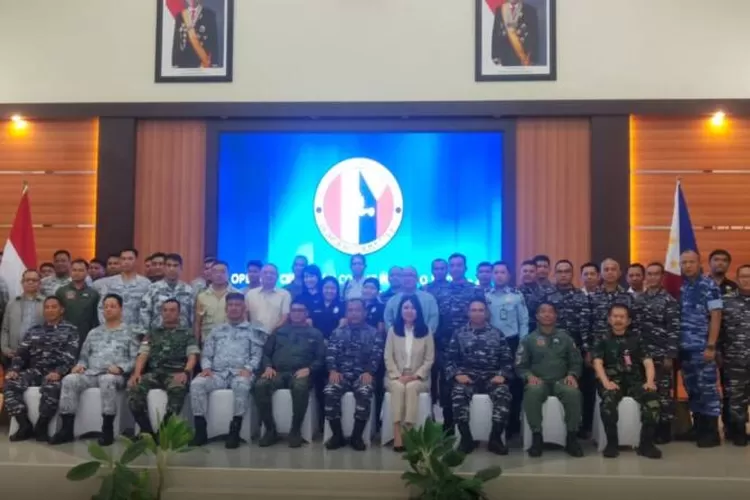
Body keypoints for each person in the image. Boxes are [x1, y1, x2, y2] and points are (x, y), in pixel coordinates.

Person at [51, 294, 140, 446]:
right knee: (69, 379)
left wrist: (120, 368)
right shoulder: (94, 332)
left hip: (114, 376)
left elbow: (135, 358)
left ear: (121, 309)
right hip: (91, 373)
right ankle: (66, 428)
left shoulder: (130, 332)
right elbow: (84, 357)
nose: (109, 309)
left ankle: (107, 429)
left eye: (113, 306)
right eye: (106, 306)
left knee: (107, 380)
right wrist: (80, 366)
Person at [190, 293, 266, 449]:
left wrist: (249, 369)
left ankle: (235, 430)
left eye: (237, 305)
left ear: (244, 308)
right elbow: (207, 353)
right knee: (197, 384)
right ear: (226, 309)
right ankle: (200, 430)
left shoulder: (254, 330)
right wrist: (206, 368)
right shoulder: (216, 330)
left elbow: (257, 355)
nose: (234, 308)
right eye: (231, 305)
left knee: (242, 385)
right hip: (217, 373)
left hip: (241, 372)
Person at [4, 296, 78, 442]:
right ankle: (24, 425)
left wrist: (59, 372)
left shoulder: (70, 330)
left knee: (52, 388)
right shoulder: (34, 330)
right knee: (10, 384)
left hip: (55, 371)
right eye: (47, 307)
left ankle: (41, 426)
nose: (50, 310)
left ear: (61, 310)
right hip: (35, 370)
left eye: (53, 307)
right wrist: (15, 369)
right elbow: (21, 354)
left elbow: (71, 355)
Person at [592, 304, 662, 459]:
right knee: (608, 400)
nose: (618, 320)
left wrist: (649, 381)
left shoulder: (637, 339)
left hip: (634, 382)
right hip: (612, 382)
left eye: (622, 317)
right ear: (609, 319)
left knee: (653, 400)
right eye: (615, 316)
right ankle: (611, 443)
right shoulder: (602, 338)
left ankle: (646, 444)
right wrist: (605, 382)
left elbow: (648, 362)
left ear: (628, 320)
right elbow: (597, 363)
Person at [255, 299, 325, 448]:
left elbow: (321, 358)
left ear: (306, 313)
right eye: (294, 310)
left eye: (300, 311)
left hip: (301, 372)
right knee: (261, 385)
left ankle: (295, 430)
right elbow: (266, 353)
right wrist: (267, 366)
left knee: (300, 387)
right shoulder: (279, 332)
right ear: (290, 313)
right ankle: (270, 430)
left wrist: (310, 369)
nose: (297, 313)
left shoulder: (315, 333)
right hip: (278, 372)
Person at [446, 298, 513, 455]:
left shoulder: (497, 333)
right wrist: (457, 375)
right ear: (468, 313)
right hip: (467, 378)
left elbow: (508, 360)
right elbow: (450, 360)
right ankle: (466, 438)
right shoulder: (459, 333)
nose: (477, 313)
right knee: (457, 393)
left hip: (492, 377)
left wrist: (503, 375)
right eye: (473, 310)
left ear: (487, 313)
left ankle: (495, 438)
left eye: (481, 310)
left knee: (503, 393)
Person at [516, 302, 583, 458]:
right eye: (543, 312)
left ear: (556, 315)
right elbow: (520, 366)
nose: (547, 314)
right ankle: (537, 437)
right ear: (537, 316)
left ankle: (572, 437)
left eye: (550, 312)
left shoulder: (565, 338)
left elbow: (576, 361)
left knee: (573, 393)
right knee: (532, 392)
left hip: (561, 381)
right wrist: (529, 376)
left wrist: (572, 374)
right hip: (538, 381)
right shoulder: (528, 340)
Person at [127, 299, 199, 438]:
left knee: (177, 390)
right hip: (154, 373)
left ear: (179, 313)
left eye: (172, 310)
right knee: (133, 388)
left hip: (176, 373)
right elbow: (143, 354)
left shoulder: (187, 333)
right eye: (165, 310)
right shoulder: (153, 333)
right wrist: (137, 373)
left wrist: (186, 372)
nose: (168, 313)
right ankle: (146, 431)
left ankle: (163, 433)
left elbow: (192, 356)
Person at [431, 254, 482, 434]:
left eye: (459, 265)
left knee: (467, 382)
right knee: (446, 383)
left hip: (469, 345)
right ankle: (448, 425)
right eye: (452, 265)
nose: (455, 268)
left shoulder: (474, 290)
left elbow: (481, 316)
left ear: (465, 268)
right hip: (444, 345)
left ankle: (469, 427)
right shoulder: (439, 291)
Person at [324, 299, 384, 451]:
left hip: (362, 375)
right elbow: (331, 354)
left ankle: (357, 436)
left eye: (357, 310)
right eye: (350, 310)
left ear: (364, 312)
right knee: (330, 391)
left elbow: (376, 356)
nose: (354, 313)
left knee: (365, 391)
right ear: (346, 313)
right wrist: (333, 370)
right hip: (341, 375)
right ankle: (337, 436)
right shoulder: (338, 332)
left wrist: (369, 372)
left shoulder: (374, 333)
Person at [542, 260, 593, 437]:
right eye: (560, 271)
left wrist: (587, 350)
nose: (563, 274)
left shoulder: (581, 296)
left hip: (575, 350)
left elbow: (586, 325)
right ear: (554, 274)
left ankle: (581, 426)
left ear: (572, 274)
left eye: (567, 271)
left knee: (580, 387)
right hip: (550, 352)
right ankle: (550, 427)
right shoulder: (547, 296)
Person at [678, 250, 723, 448]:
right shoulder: (683, 287)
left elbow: (716, 316)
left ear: (699, 263)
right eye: (684, 263)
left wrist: (711, 345)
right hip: (685, 348)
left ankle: (712, 432)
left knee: (708, 390)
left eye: (691, 262)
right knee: (693, 389)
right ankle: (698, 427)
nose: (687, 266)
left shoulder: (709, 285)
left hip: (703, 348)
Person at [384, 296, 435, 451]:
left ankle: (410, 431)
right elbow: (388, 356)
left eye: (412, 308)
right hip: (395, 376)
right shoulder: (393, 331)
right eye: (405, 307)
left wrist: (416, 375)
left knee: (412, 387)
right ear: (400, 310)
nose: (409, 311)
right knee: (399, 388)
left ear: (418, 311)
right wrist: (397, 376)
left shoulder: (426, 331)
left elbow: (429, 359)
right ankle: (397, 433)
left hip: (419, 377)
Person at [486, 260, 528, 436]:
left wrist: (522, 345)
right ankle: (493, 424)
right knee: (494, 381)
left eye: (502, 272)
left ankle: (513, 425)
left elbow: (523, 321)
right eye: (496, 272)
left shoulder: (517, 295)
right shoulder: (486, 295)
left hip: (512, 342)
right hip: (491, 344)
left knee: (514, 384)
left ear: (509, 275)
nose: (499, 275)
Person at [639, 262, 680, 444]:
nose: (652, 277)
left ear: (662, 277)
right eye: (649, 274)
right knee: (646, 391)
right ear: (645, 277)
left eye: (656, 274)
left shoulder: (669, 301)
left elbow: (674, 330)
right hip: (641, 355)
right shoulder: (638, 299)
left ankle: (664, 429)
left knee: (663, 393)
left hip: (661, 354)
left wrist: (670, 355)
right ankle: (648, 428)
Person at [708, 248, 738, 438]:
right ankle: (706, 427)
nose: (720, 263)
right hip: (706, 345)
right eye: (716, 259)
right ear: (709, 263)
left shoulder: (734, 288)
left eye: (724, 260)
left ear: (728, 264)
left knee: (730, 388)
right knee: (706, 387)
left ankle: (731, 426)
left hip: (730, 347)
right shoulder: (701, 285)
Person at [720, 264, 750, 446]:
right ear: (737, 278)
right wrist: (716, 351)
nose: (747, 279)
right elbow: (718, 329)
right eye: (744, 276)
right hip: (734, 358)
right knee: (736, 398)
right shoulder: (725, 301)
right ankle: (738, 431)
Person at [589, 258, 642, 351]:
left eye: (613, 269)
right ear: (600, 274)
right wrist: (588, 349)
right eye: (606, 269)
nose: (610, 272)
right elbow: (586, 325)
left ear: (620, 273)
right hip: (598, 346)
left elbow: (635, 324)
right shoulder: (592, 297)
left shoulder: (628, 297)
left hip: (623, 347)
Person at [96, 248, 151, 328]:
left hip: (135, 331)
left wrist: (143, 330)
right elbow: (101, 308)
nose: (126, 262)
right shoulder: (109, 283)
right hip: (113, 331)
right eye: (123, 259)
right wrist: (106, 327)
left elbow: (147, 310)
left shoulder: (145, 284)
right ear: (120, 261)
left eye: (130, 259)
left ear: (136, 261)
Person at [140, 253, 194, 332]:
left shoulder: (188, 290)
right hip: (158, 334)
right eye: (169, 265)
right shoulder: (153, 289)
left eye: (175, 266)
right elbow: (144, 312)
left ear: (181, 268)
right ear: (164, 268)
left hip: (182, 335)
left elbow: (193, 315)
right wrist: (146, 334)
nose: (172, 269)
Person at [56, 259, 100, 349]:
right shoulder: (61, 291)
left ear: (87, 272)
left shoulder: (93, 293)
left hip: (86, 335)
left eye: (80, 270)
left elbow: (95, 318)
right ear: (70, 271)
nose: (77, 273)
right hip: (64, 334)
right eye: (74, 270)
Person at [1, 270, 44, 362]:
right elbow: (5, 329)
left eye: (34, 280)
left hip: (38, 355)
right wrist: (5, 349)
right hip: (13, 353)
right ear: (22, 283)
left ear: (39, 283)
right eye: (27, 280)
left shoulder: (47, 303)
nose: (30, 282)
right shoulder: (12, 303)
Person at [194, 260, 239, 344]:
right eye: (215, 272)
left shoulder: (237, 294)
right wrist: (196, 345)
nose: (219, 274)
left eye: (222, 272)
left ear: (228, 274)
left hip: (231, 344)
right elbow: (198, 323)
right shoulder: (202, 296)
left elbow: (243, 321)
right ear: (210, 274)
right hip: (208, 344)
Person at [172, 0, 219, 69]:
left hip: (202, 63)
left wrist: (215, 63)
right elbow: (176, 41)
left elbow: (214, 41)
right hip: (183, 62)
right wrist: (175, 63)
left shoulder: (209, 15)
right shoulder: (180, 16)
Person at [491, 0, 540, 67]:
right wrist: (495, 55)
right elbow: (496, 33)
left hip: (524, 58)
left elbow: (534, 36)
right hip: (504, 57)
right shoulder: (500, 10)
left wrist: (533, 58)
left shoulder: (530, 10)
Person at [245, 264, 291, 333]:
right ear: (260, 275)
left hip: (276, 335)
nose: (268, 275)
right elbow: (245, 315)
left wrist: (272, 331)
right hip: (253, 335)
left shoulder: (285, 294)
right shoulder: (250, 294)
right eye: (265, 273)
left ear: (277, 277)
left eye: (272, 273)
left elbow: (285, 317)